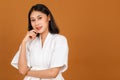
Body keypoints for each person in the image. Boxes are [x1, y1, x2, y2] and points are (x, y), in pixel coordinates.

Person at [11, 4, 69, 80]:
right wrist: (24, 42)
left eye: (40, 18)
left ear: (48, 17)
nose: (36, 23)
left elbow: (53, 73)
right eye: (33, 20)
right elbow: (22, 69)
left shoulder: (60, 40)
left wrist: (27, 72)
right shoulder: (29, 42)